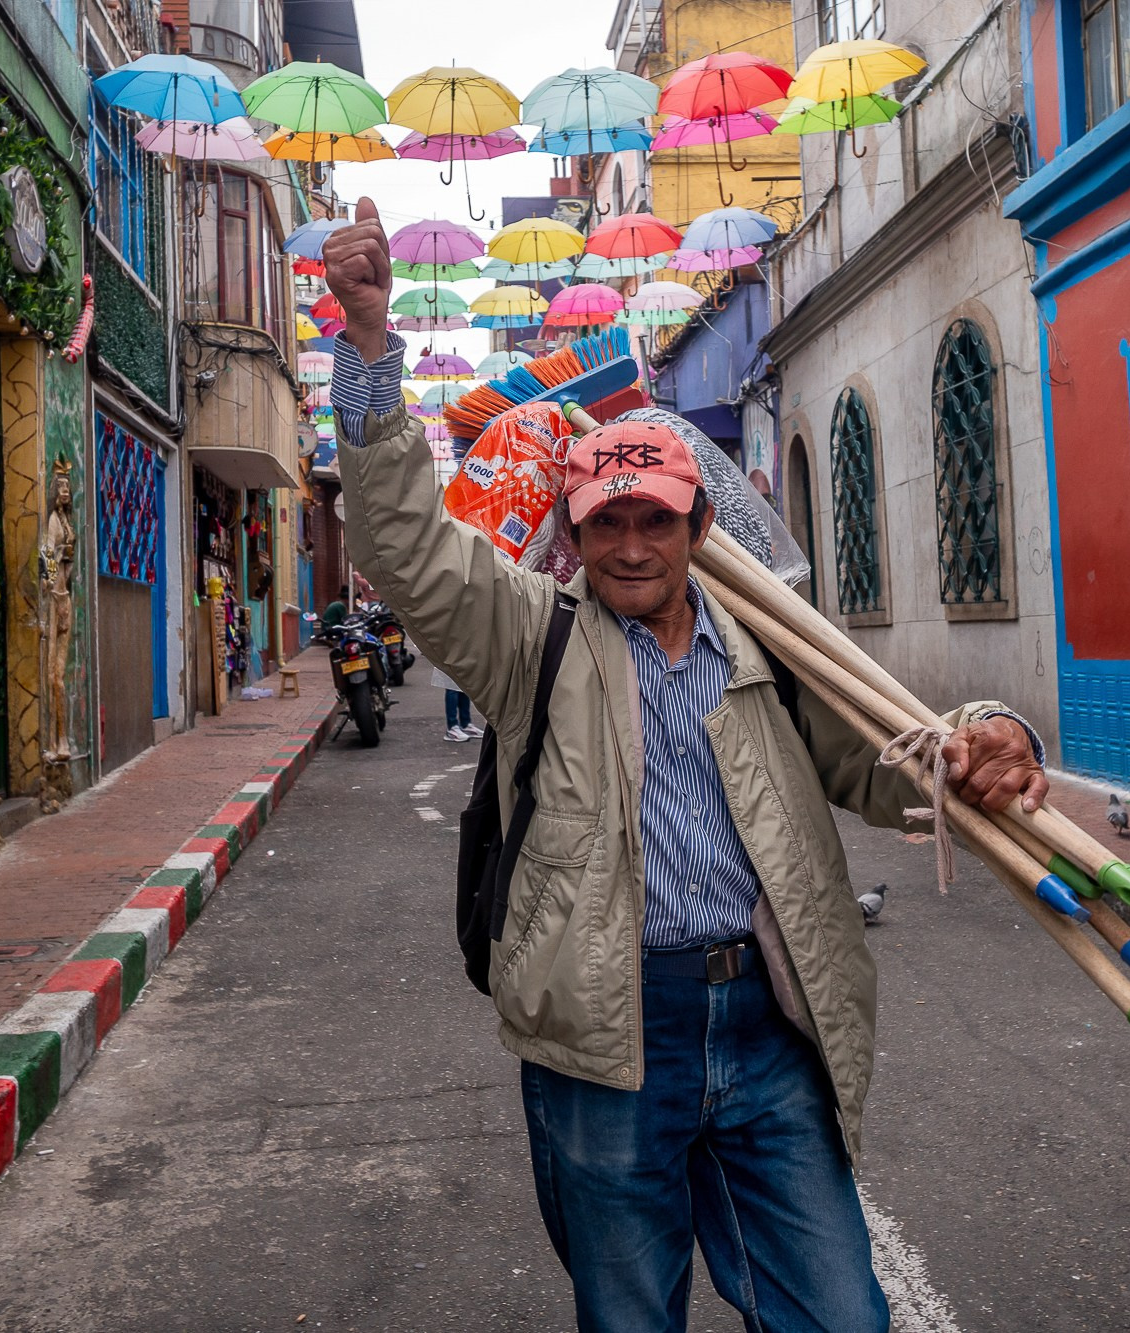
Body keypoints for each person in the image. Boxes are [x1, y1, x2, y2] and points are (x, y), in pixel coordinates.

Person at [325, 199, 1048, 1333]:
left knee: (841, 1316)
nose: (627, 543)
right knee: (630, 1320)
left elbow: (890, 752)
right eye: (604, 519)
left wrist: (991, 743)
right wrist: (369, 348)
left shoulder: (770, 644)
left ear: (695, 523)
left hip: (765, 1018)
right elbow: (403, 543)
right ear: (571, 528)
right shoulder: (529, 640)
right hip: (606, 1033)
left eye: (652, 520)